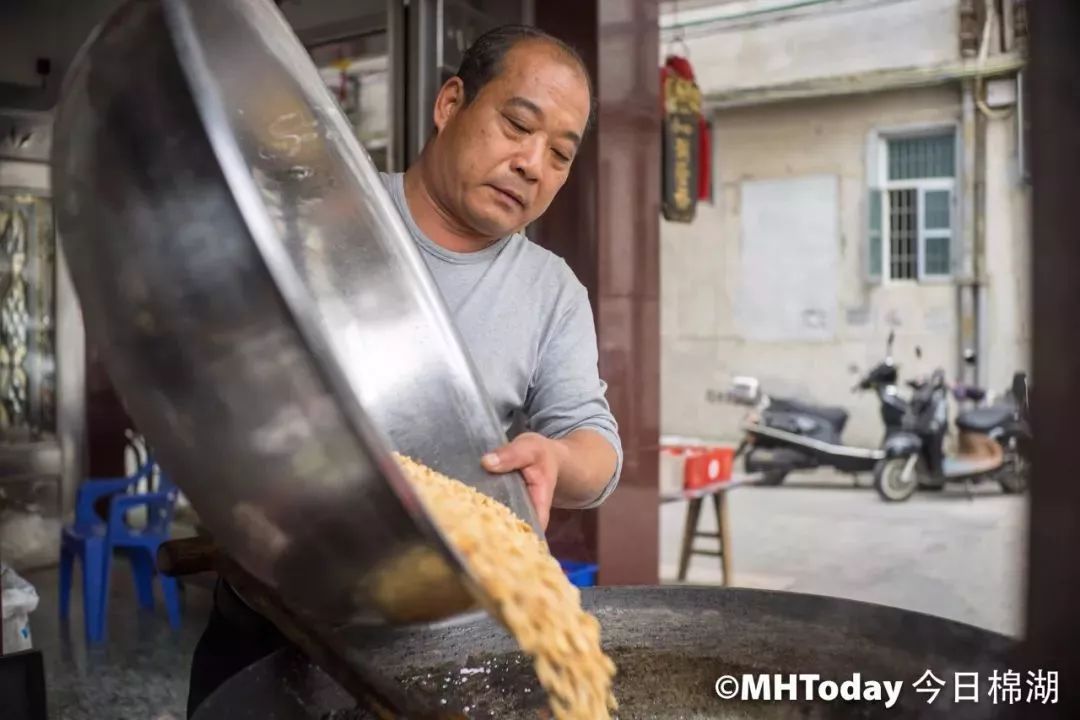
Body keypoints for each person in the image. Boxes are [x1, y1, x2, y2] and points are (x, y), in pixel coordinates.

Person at [186, 24, 621, 717]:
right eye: (517, 124)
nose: (533, 163)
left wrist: (556, 457)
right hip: (273, 609)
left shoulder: (552, 291)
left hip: (438, 636)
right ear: (451, 103)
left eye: (561, 155)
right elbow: (210, 376)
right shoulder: (322, 220)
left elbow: (596, 448)